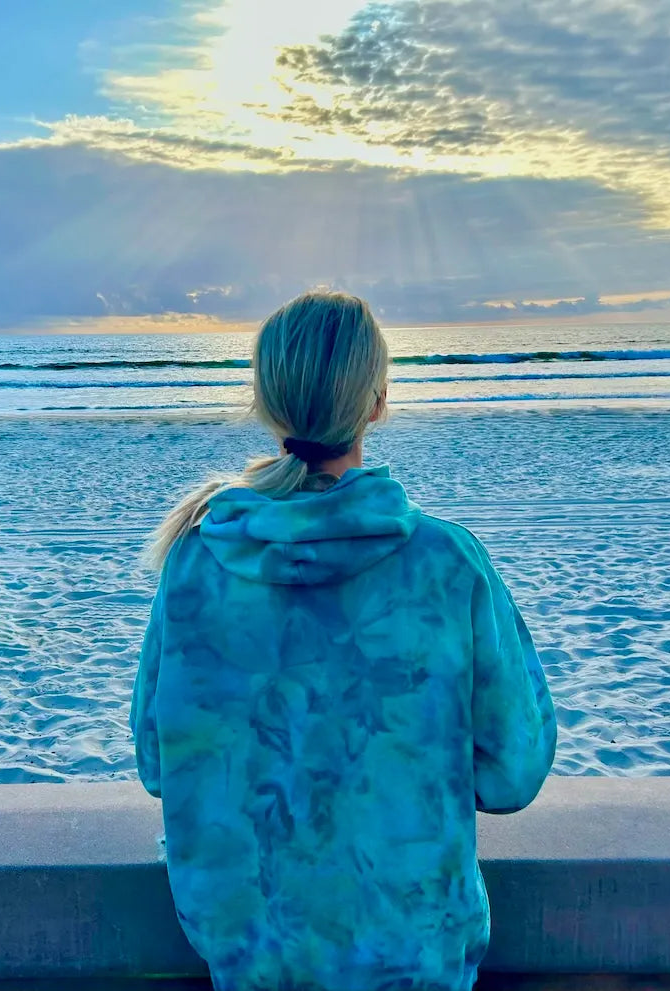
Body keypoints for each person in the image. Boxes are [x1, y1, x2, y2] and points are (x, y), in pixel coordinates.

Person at [131, 290, 556, 991]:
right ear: (378, 401)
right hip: (414, 957)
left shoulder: (198, 563)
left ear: (268, 403)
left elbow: (158, 760)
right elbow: (513, 770)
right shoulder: (445, 563)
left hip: (258, 958)